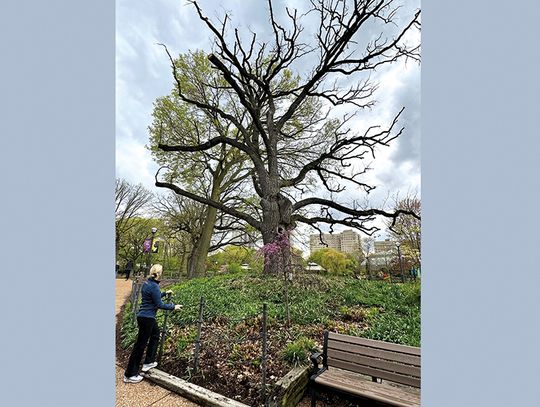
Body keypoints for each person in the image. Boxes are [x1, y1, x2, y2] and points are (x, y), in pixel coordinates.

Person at [123, 264, 182, 383]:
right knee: (140, 345)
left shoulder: (147, 283)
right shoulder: (154, 286)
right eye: (162, 273)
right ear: (159, 274)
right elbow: (159, 304)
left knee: (155, 335)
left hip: (143, 317)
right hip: (148, 318)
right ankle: (130, 374)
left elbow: (153, 297)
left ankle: (148, 362)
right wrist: (173, 307)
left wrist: (164, 293)